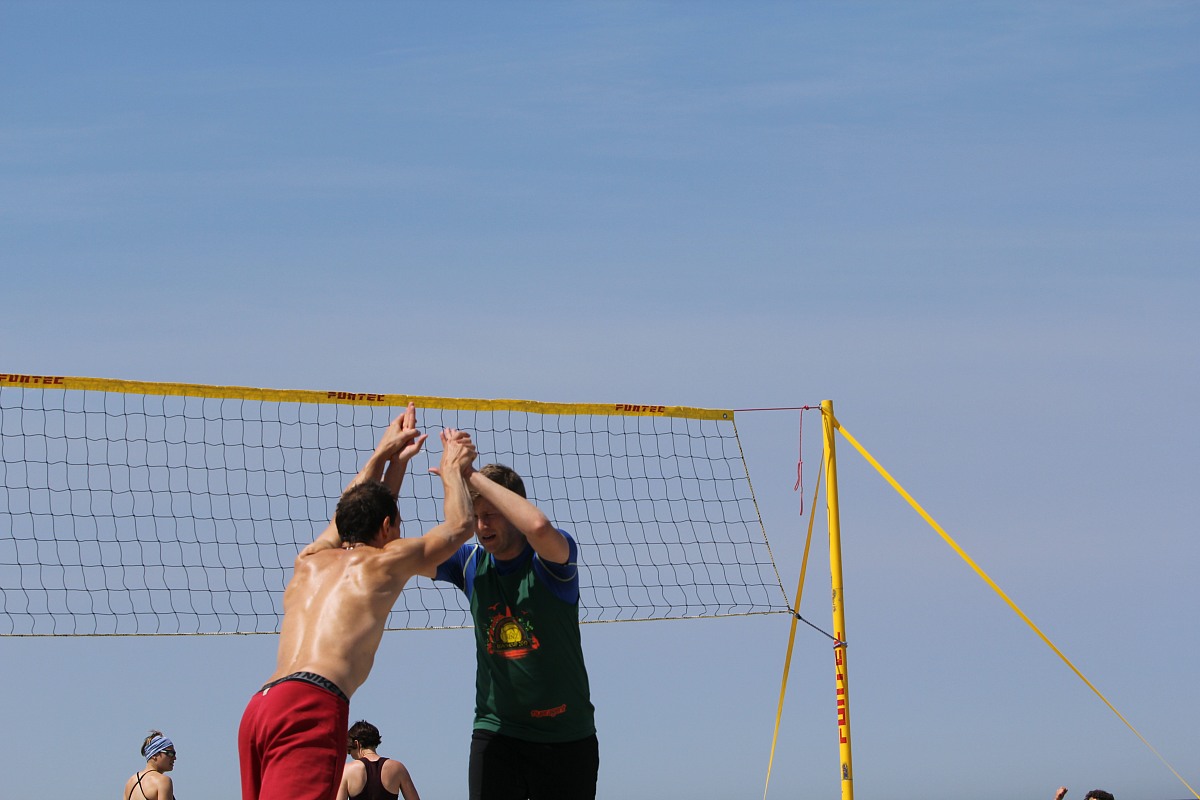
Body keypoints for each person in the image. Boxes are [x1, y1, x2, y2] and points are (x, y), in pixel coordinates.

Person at [238, 404, 477, 800]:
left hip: (263, 706)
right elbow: (461, 526)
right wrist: (452, 468)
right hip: (310, 705)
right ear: (387, 527)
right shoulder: (385, 563)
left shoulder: (309, 560)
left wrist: (385, 456)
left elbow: (351, 512)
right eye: (397, 524)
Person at [420, 462, 599, 800]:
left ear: (514, 511)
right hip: (497, 732)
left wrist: (468, 473)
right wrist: (452, 483)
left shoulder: (549, 559)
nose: (481, 525)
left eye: (491, 514)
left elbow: (538, 525)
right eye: (476, 516)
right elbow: (411, 554)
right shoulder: (469, 562)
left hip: (566, 737)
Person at [336, 719, 421, 800]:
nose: (351, 755)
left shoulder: (347, 771)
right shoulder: (398, 768)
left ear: (357, 744)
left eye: (349, 751)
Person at [123, 730, 177, 800]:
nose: (174, 758)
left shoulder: (131, 782)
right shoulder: (163, 781)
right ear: (154, 754)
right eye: (170, 753)